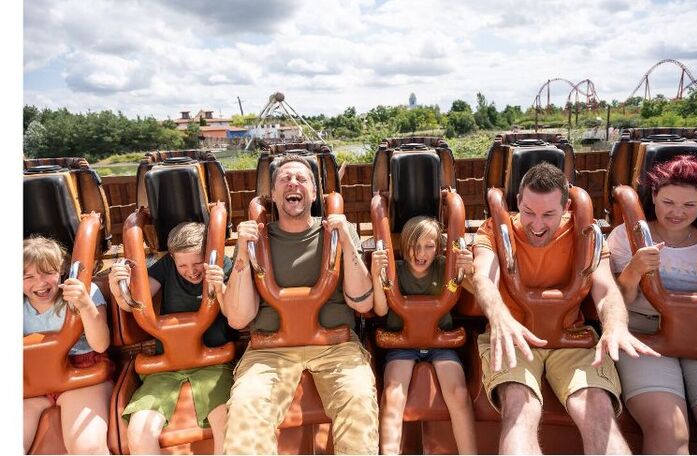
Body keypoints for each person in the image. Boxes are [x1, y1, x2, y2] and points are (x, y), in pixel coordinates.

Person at [470, 162, 660, 454]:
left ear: (566, 207)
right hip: (514, 337)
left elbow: (606, 291)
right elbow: (483, 278)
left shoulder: (585, 232)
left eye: (548, 214)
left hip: (572, 339)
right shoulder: (494, 229)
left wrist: (615, 325)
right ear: (518, 201)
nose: (537, 225)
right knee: (519, 405)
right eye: (528, 212)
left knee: (597, 408)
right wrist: (499, 318)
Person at [222, 154, 379, 454]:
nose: (293, 183)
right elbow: (238, 319)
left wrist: (347, 242)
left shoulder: (338, 232)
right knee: (246, 406)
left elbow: (362, 303)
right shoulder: (257, 239)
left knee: (358, 398)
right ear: (273, 194)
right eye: (285, 179)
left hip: (335, 346)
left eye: (301, 179)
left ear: (314, 193)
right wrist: (241, 252)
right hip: (270, 351)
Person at [607, 155, 697, 454]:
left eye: (689, 205)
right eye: (668, 202)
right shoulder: (625, 236)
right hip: (646, 335)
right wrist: (634, 270)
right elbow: (615, 301)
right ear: (653, 196)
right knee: (669, 427)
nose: (677, 212)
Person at [109, 222, 234, 454]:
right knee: (138, 432)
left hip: (213, 363)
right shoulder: (166, 266)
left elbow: (235, 316)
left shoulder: (222, 264)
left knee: (227, 424)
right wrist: (119, 291)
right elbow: (137, 304)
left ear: (208, 255)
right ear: (173, 260)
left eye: (198, 263)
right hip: (166, 366)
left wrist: (221, 287)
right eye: (182, 265)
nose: (192, 271)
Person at [371, 216, 477, 454]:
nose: (420, 253)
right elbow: (380, 310)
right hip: (402, 344)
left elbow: (475, 291)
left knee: (459, 394)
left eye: (428, 246)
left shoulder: (444, 267)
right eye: (414, 246)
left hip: (441, 342)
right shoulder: (396, 270)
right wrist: (377, 276)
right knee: (393, 395)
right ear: (403, 246)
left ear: (437, 248)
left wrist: (469, 271)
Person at [23, 236, 112, 454]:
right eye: (28, 276)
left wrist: (85, 305)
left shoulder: (83, 292)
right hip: (36, 381)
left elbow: (101, 345)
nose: (40, 282)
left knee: (87, 448)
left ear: (62, 268)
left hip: (81, 372)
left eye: (47, 272)